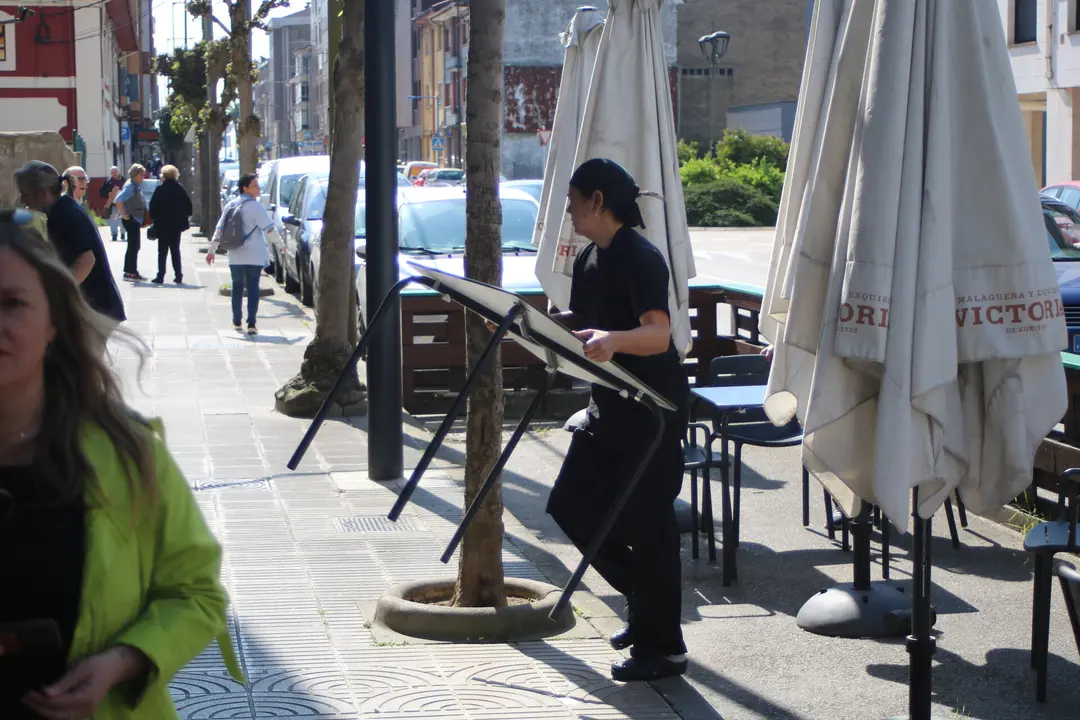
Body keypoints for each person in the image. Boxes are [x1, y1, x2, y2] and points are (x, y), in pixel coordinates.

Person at [0, 211, 242, 719]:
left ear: (54, 324)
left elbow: (195, 594)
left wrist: (122, 661)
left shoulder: (127, 454)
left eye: (12, 303)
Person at [545, 158, 690, 682]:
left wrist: (614, 342)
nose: (569, 211)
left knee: (648, 527)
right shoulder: (590, 258)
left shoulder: (640, 257)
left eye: (573, 201)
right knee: (570, 506)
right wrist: (540, 326)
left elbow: (658, 336)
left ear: (598, 202)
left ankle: (665, 649)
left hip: (652, 414)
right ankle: (645, 604)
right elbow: (585, 323)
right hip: (607, 408)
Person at [14, 161, 126, 329]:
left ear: (44, 193)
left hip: (95, 310)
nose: (24, 201)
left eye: (26, 194)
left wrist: (57, 296)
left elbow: (86, 261)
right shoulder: (63, 209)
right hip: (95, 308)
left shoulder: (64, 215)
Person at [207, 172, 276, 335]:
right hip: (255, 254)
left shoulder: (231, 205)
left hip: (235, 253)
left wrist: (212, 250)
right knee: (253, 287)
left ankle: (236, 321)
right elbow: (270, 230)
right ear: (245, 188)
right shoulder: (257, 207)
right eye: (255, 185)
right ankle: (251, 323)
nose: (258, 188)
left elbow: (220, 228)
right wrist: (280, 245)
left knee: (237, 286)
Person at [148, 165, 193, 285]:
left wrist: (154, 218)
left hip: (162, 225)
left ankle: (160, 275)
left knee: (162, 251)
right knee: (175, 250)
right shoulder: (180, 188)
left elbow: (152, 207)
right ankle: (178, 275)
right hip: (176, 226)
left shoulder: (160, 189)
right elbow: (189, 207)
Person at [114, 164, 148, 281]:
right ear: (136, 174)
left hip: (134, 218)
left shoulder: (134, 185)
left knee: (134, 246)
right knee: (134, 246)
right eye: (141, 174)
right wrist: (123, 214)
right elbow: (118, 199)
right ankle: (130, 272)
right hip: (131, 219)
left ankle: (131, 271)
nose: (143, 177)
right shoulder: (130, 186)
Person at [100, 166, 126, 242]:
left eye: (115, 172)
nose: (114, 174)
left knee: (122, 218)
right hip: (112, 204)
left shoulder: (124, 180)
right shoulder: (107, 181)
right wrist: (108, 193)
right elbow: (101, 192)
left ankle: (123, 233)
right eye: (112, 172)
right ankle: (114, 234)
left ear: (119, 172)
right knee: (113, 219)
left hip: (122, 203)